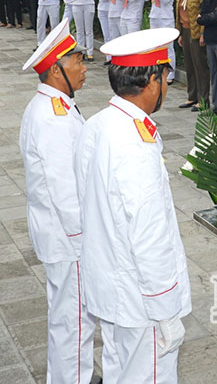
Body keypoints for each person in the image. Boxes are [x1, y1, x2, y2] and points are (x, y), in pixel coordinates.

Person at [75, 28, 191, 382]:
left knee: (119, 371)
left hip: (111, 288)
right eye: (166, 76)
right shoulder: (133, 143)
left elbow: (87, 201)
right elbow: (149, 232)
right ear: (152, 80)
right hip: (140, 301)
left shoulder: (98, 124)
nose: (167, 87)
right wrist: (164, 307)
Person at [19, 19, 94, 383]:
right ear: (56, 70)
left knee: (69, 313)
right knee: (74, 317)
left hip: (59, 233)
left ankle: (69, 375)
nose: (84, 68)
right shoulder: (54, 117)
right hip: (68, 237)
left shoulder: (55, 106)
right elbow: (64, 186)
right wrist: (84, 240)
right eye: (77, 61)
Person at [175, 0, 209, 111]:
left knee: (200, 66)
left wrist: (202, 33)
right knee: (189, 65)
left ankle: (203, 99)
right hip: (185, 29)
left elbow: (204, 11)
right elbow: (178, 12)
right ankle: (192, 96)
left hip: (196, 31)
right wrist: (180, 32)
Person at [147, 0, 178, 81]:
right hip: (154, 16)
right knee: (155, 46)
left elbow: (165, 0)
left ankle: (170, 73)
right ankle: (157, 70)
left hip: (165, 18)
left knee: (168, 46)